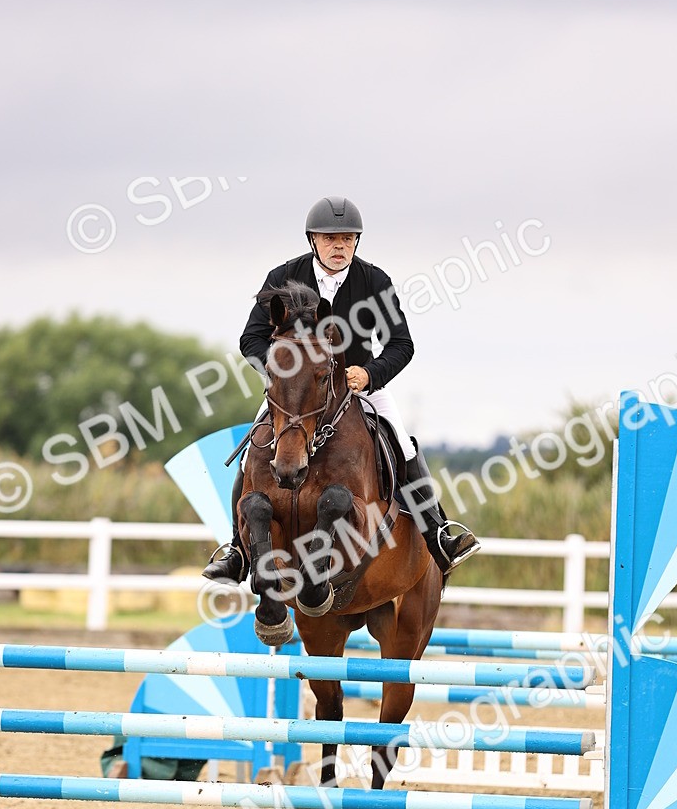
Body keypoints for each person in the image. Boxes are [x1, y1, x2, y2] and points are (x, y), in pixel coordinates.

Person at [203, 195, 480, 583]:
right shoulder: (282, 277)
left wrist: (369, 374)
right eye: (330, 238)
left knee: (402, 442)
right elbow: (251, 339)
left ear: (356, 242)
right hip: (296, 396)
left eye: (347, 239)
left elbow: (402, 345)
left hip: (359, 387)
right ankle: (236, 550)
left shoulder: (374, 281)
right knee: (256, 445)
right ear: (312, 240)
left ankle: (438, 533)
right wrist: (283, 375)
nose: (339, 246)